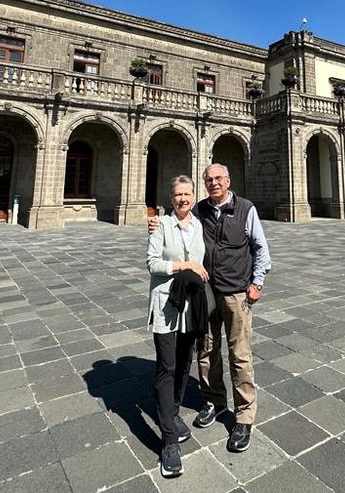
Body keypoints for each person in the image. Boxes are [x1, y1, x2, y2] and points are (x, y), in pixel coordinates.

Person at [149, 163, 271, 453]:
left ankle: (244, 417)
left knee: (240, 354)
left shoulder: (246, 208)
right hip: (206, 294)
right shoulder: (200, 210)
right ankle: (214, 400)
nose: (214, 183)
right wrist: (156, 222)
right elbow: (177, 220)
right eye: (209, 180)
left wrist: (258, 282)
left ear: (228, 181)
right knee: (206, 350)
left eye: (219, 179)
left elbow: (261, 248)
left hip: (238, 292)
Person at [146, 175, 209, 478]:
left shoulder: (198, 225)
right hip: (166, 307)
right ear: (171, 198)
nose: (183, 199)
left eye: (187, 194)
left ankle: (171, 413)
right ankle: (169, 441)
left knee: (185, 363)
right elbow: (152, 263)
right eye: (177, 195)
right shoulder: (160, 225)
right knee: (166, 367)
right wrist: (184, 266)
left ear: (193, 196)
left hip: (190, 308)